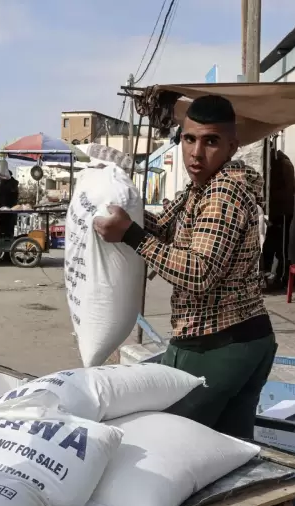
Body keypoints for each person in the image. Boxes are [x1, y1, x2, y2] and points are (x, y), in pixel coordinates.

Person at [94, 95, 274, 440]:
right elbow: (161, 225)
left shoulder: (224, 191)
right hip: (245, 339)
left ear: (232, 146)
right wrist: (119, 202)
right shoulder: (198, 188)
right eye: (189, 139)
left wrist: (131, 235)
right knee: (230, 448)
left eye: (211, 141)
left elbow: (199, 272)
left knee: (171, 442)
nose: (196, 152)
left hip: (217, 345)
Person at [262, 149, 295, 289]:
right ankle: (269, 275)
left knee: (281, 247)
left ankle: (283, 277)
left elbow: (290, 189)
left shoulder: (283, 164)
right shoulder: (274, 163)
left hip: (282, 211)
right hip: (273, 210)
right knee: (269, 245)